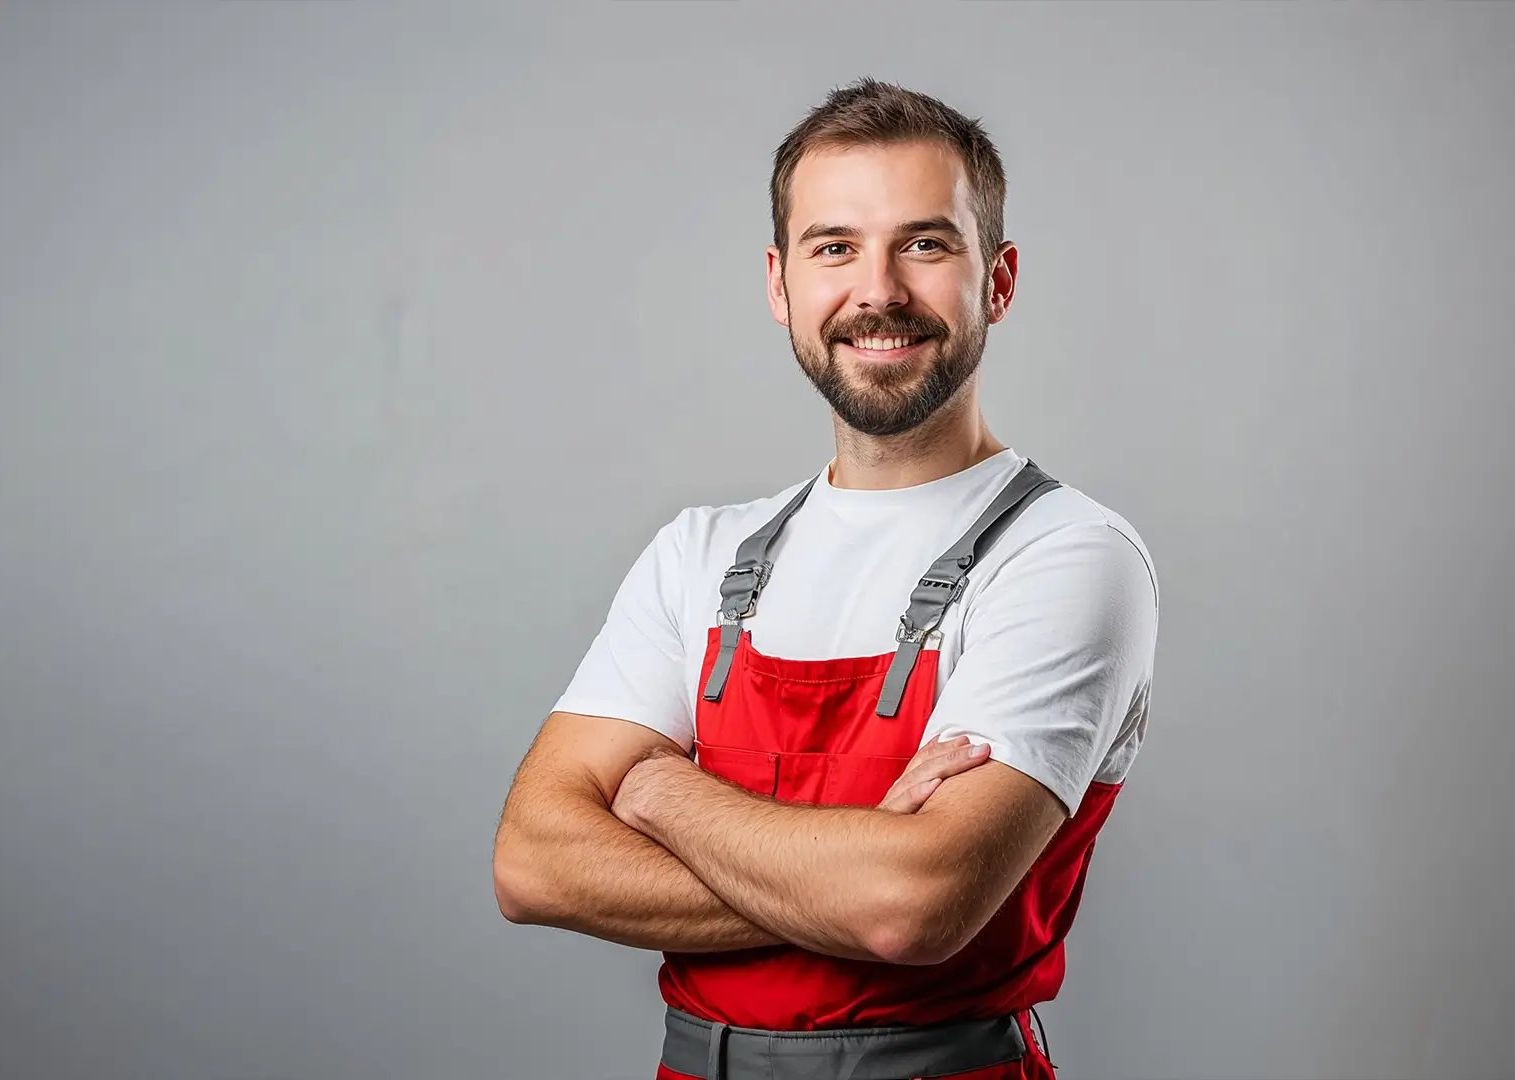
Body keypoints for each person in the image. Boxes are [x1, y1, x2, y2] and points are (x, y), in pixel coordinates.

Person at [492, 78, 1160, 1080]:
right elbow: (532, 863)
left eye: (926, 245)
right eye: (835, 246)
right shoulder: (701, 553)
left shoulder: (1067, 554)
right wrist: (847, 865)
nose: (878, 290)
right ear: (780, 284)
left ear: (1000, 281)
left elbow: (912, 906)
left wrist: (660, 790)